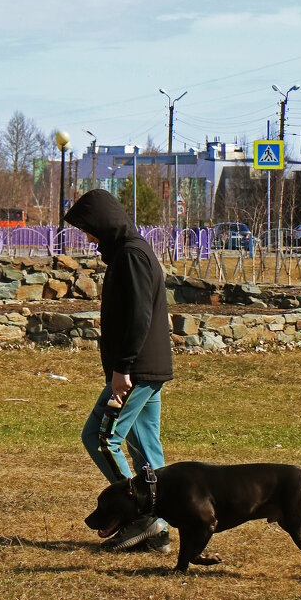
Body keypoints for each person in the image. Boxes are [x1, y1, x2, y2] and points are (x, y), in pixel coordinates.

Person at [64, 189, 173, 551]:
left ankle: (140, 515)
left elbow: (140, 317)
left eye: (88, 230)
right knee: (146, 453)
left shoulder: (132, 255)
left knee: (101, 436)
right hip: (145, 368)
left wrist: (122, 369)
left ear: (103, 223)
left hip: (136, 371)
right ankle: (159, 529)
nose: (89, 239)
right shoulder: (131, 253)